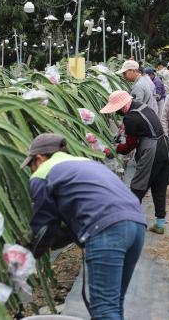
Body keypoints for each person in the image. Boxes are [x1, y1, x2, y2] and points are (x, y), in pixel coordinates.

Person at [26, 133, 145, 320]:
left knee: (104, 310)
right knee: (114, 303)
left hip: (107, 230)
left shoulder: (42, 173)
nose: (31, 170)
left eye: (30, 165)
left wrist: (27, 255)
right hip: (137, 223)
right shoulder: (85, 163)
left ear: (39, 158)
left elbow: (44, 224)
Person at [101, 90, 169, 235]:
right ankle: (159, 224)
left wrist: (113, 150)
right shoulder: (142, 106)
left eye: (117, 109)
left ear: (123, 106)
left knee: (137, 187)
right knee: (159, 187)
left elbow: (129, 147)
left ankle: (129, 223)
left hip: (152, 151)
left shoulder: (131, 118)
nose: (118, 112)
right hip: (164, 147)